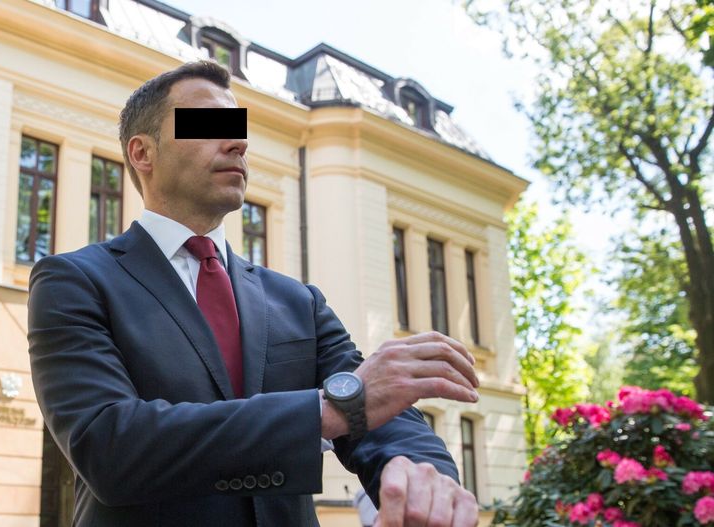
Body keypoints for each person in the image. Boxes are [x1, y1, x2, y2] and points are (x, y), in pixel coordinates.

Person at [28, 60, 480, 527]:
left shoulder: (299, 302)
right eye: (207, 126)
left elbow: (376, 403)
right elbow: (109, 445)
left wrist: (422, 476)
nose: (238, 143)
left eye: (239, 130)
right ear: (142, 152)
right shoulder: (74, 281)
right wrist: (326, 411)